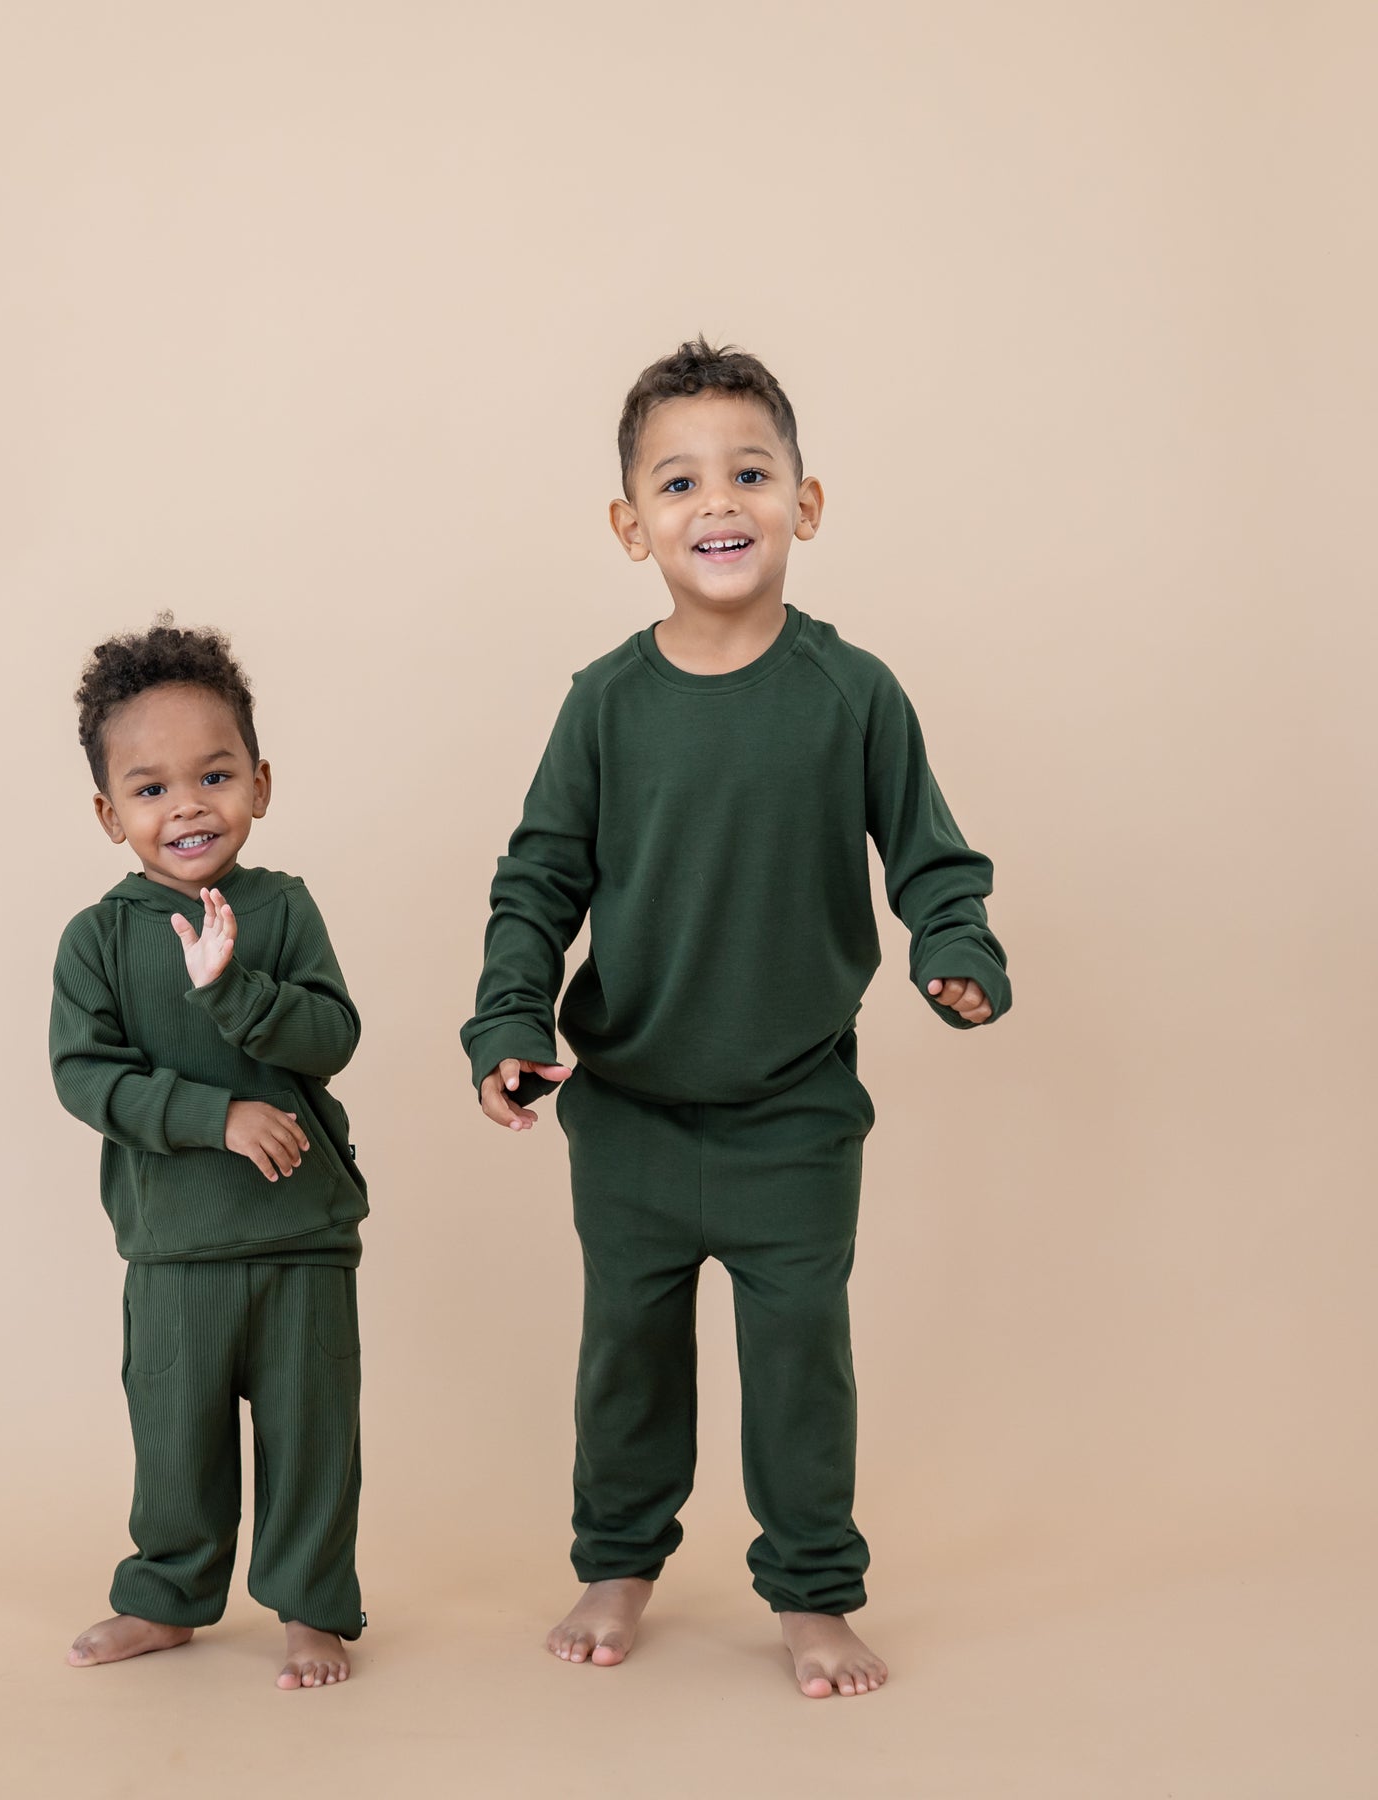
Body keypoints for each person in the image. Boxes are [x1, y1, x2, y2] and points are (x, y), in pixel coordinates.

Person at [460, 339, 1011, 1698]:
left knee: (799, 1365)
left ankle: (814, 1593)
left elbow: (931, 857)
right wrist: (508, 1020)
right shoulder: (604, 705)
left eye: (752, 473)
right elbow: (537, 881)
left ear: (804, 504)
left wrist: (955, 945)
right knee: (628, 1361)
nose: (721, 502)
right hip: (632, 1110)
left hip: (795, 1110)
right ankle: (619, 1560)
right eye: (682, 480)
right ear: (630, 523)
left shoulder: (852, 693)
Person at [51, 619, 366, 1691]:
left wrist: (233, 990)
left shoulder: (283, 910)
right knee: (176, 1443)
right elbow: (85, 1079)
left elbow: (333, 1038)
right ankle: (169, 1597)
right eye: (150, 789)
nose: (186, 806)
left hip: (302, 1238)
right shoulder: (98, 939)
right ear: (110, 814)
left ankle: (312, 1607)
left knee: (310, 1439)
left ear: (260, 784)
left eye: (213, 775)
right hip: (176, 1247)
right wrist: (214, 1115)